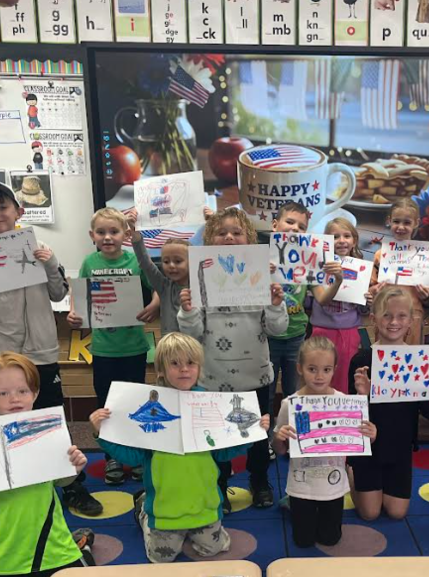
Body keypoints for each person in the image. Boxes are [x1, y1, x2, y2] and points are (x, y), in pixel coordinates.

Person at [0, 180, 101, 515]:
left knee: (51, 417)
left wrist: (49, 263)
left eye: (3, 206)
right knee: (6, 418)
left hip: (39, 351)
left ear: (18, 211)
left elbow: (57, 293)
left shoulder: (39, 247)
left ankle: (72, 486)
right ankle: (12, 482)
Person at [90, 333, 269, 563]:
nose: (184, 369)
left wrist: (252, 433)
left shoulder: (210, 402)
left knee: (216, 548)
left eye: (190, 363)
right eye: (175, 363)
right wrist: (100, 433)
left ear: (199, 367)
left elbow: (223, 453)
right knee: (161, 559)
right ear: (161, 370)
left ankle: (193, 528)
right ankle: (144, 511)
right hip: (165, 509)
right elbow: (133, 457)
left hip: (204, 505)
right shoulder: (149, 405)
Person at [178, 207, 288, 510]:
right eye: (222, 232)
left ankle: (259, 479)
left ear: (248, 238)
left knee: (257, 432)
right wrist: (187, 310)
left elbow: (277, 329)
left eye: (237, 232)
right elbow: (194, 331)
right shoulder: (202, 274)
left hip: (255, 374)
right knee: (217, 435)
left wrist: (277, 304)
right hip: (214, 376)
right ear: (210, 238)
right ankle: (220, 483)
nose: (229, 236)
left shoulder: (263, 273)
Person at [0, 353, 91, 577]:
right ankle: (83, 544)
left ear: (34, 394)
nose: (14, 399)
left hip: (53, 546)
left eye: (22, 391)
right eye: (3, 393)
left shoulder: (49, 435)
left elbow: (62, 480)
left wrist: (74, 469)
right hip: (3, 550)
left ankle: (81, 546)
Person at [67, 207, 159, 486]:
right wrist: (74, 314)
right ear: (92, 235)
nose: (108, 237)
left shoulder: (134, 261)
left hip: (134, 346)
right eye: (101, 232)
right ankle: (113, 458)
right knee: (106, 406)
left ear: (125, 234)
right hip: (104, 349)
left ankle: (137, 455)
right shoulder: (89, 263)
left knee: (136, 403)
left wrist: (155, 304)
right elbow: (79, 295)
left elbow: (155, 285)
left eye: (114, 231)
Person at [349, 286, 429, 520]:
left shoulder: (419, 360)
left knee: (396, 513)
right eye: (387, 315)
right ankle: (351, 472)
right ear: (374, 319)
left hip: (400, 448)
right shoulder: (362, 359)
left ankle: (379, 484)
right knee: (370, 514)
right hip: (369, 450)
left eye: (401, 316)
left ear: (411, 321)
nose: (393, 322)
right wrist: (363, 395)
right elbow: (350, 413)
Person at [274, 337, 377, 547]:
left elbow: (359, 441)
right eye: (312, 369)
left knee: (331, 539)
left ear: (334, 369)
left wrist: (371, 436)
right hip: (301, 484)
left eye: (326, 369)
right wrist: (278, 438)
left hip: (333, 484)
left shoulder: (344, 402)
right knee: (303, 541)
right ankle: (290, 503)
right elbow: (280, 450)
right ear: (300, 368)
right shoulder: (290, 404)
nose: (320, 376)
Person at [307, 217, 368, 394]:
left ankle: (342, 418)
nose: (341, 241)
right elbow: (313, 301)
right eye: (335, 237)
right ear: (326, 242)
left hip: (349, 333)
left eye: (346, 236)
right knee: (319, 379)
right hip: (321, 331)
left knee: (344, 380)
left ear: (354, 240)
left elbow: (363, 309)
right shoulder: (317, 267)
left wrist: (368, 302)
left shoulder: (361, 269)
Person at [369, 198, 429, 345]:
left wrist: (426, 297)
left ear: (416, 223)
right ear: (389, 221)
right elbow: (370, 289)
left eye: (407, 222)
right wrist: (374, 290)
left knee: (410, 362)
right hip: (385, 316)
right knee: (384, 359)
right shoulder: (380, 255)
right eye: (396, 221)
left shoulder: (426, 257)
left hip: (413, 316)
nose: (401, 227)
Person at [270, 202, 314, 400]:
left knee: (293, 391)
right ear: (274, 225)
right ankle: (267, 430)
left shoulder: (308, 260)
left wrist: (337, 279)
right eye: (289, 221)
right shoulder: (262, 257)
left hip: (296, 334)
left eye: (302, 226)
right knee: (267, 391)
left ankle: (293, 429)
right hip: (267, 336)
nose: (295, 228)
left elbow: (322, 296)